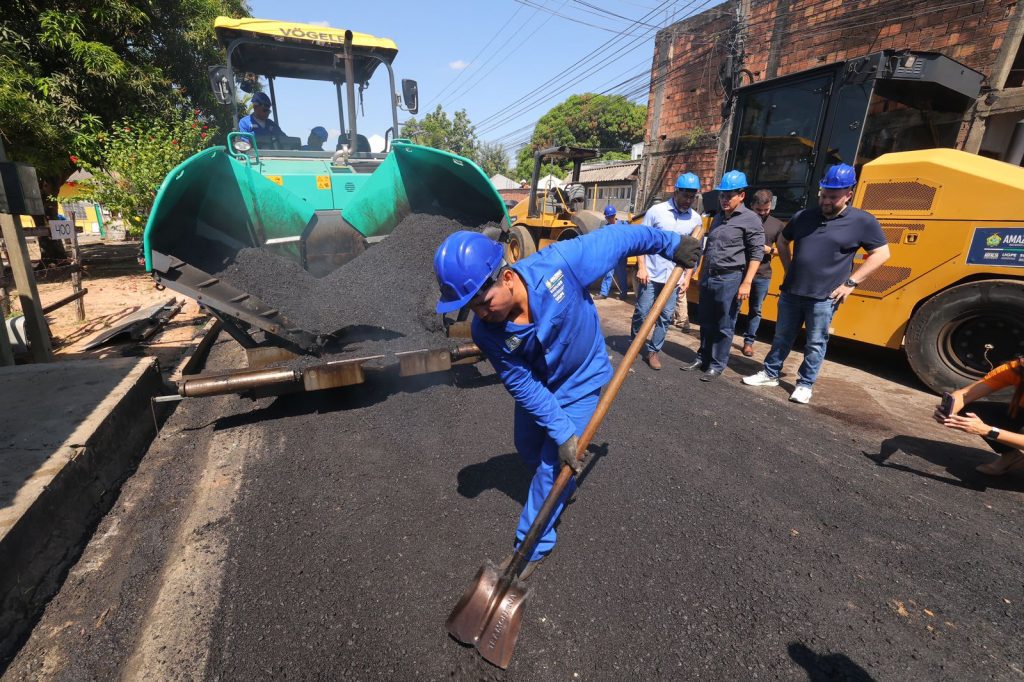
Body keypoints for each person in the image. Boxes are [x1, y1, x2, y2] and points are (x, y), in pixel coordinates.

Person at [434, 226, 700, 577]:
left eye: (485, 302)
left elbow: (622, 239)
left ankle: (529, 548)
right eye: (473, 308)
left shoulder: (562, 263)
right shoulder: (487, 332)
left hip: (580, 378)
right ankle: (562, 486)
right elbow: (521, 382)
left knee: (551, 465)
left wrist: (672, 244)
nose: (482, 314)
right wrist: (560, 430)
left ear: (508, 277)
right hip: (541, 384)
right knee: (527, 446)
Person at [742, 164, 890, 403]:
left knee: (815, 342)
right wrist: (789, 270)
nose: (826, 200)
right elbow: (782, 241)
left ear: (848, 194)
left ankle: (805, 384)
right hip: (792, 292)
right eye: (824, 195)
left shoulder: (862, 221)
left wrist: (851, 283)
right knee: (782, 336)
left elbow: (882, 254)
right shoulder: (804, 217)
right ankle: (770, 373)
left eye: (833, 196)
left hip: (824, 297)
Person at [682, 170, 764, 381]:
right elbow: (708, 248)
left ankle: (717, 365)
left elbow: (756, 254)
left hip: (730, 278)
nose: (725, 199)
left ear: (741, 195)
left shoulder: (750, 219)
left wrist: (746, 283)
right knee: (705, 320)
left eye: (729, 195)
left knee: (724, 324)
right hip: (710, 276)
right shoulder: (718, 218)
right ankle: (703, 357)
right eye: (722, 195)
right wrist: (701, 273)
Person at [631, 172, 704, 370]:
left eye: (692, 197)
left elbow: (695, 254)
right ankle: (635, 345)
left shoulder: (696, 220)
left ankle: (654, 351)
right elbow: (641, 241)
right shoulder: (657, 212)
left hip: (674, 279)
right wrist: (642, 267)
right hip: (651, 273)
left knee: (665, 316)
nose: (688, 200)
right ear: (676, 191)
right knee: (642, 312)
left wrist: (687, 277)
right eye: (685, 195)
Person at [935, 357, 1024, 475]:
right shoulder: (1017, 368)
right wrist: (948, 412)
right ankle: (1011, 457)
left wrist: (988, 431)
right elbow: (965, 395)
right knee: (969, 410)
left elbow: (988, 430)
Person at [742, 189, 786, 357]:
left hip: (763, 274)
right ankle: (726, 338)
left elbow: (782, 250)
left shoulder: (777, 225)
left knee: (756, 309)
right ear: (751, 206)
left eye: (766, 210)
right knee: (734, 307)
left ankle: (748, 342)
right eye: (758, 210)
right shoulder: (743, 220)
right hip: (741, 271)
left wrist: (770, 250)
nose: (762, 214)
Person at [597, 205, 629, 300]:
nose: (610, 219)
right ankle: (603, 293)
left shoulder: (623, 225)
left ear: (614, 215)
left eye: (611, 216)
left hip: (621, 254)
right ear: (606, 217)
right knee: (608, 273)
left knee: (621, 274)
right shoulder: (605, 228)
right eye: (608, 217)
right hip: (610, 254)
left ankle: (624, 293)